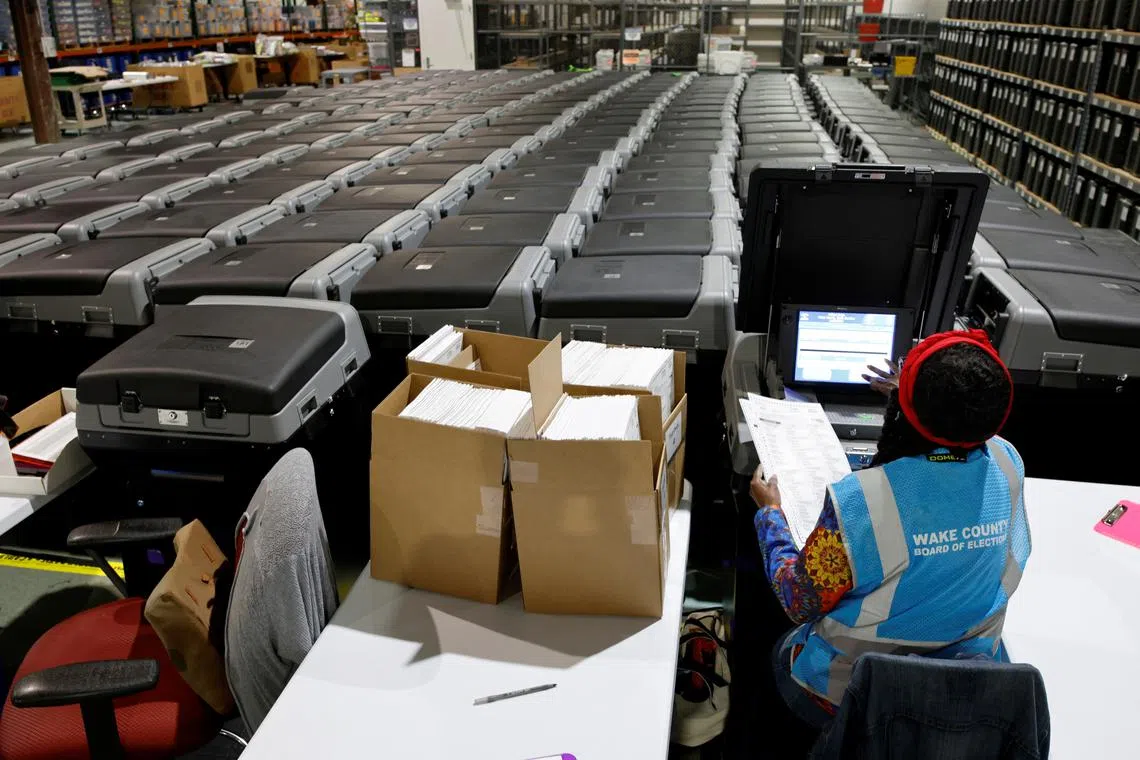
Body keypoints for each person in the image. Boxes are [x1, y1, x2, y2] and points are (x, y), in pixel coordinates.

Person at [751, 329, 1031, 729]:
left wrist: (770, 515)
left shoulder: (862, 500)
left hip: (852, 692)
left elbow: (800, 601)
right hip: (962, 678)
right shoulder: (1008, 461)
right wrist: (912, 398)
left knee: (775, 641)